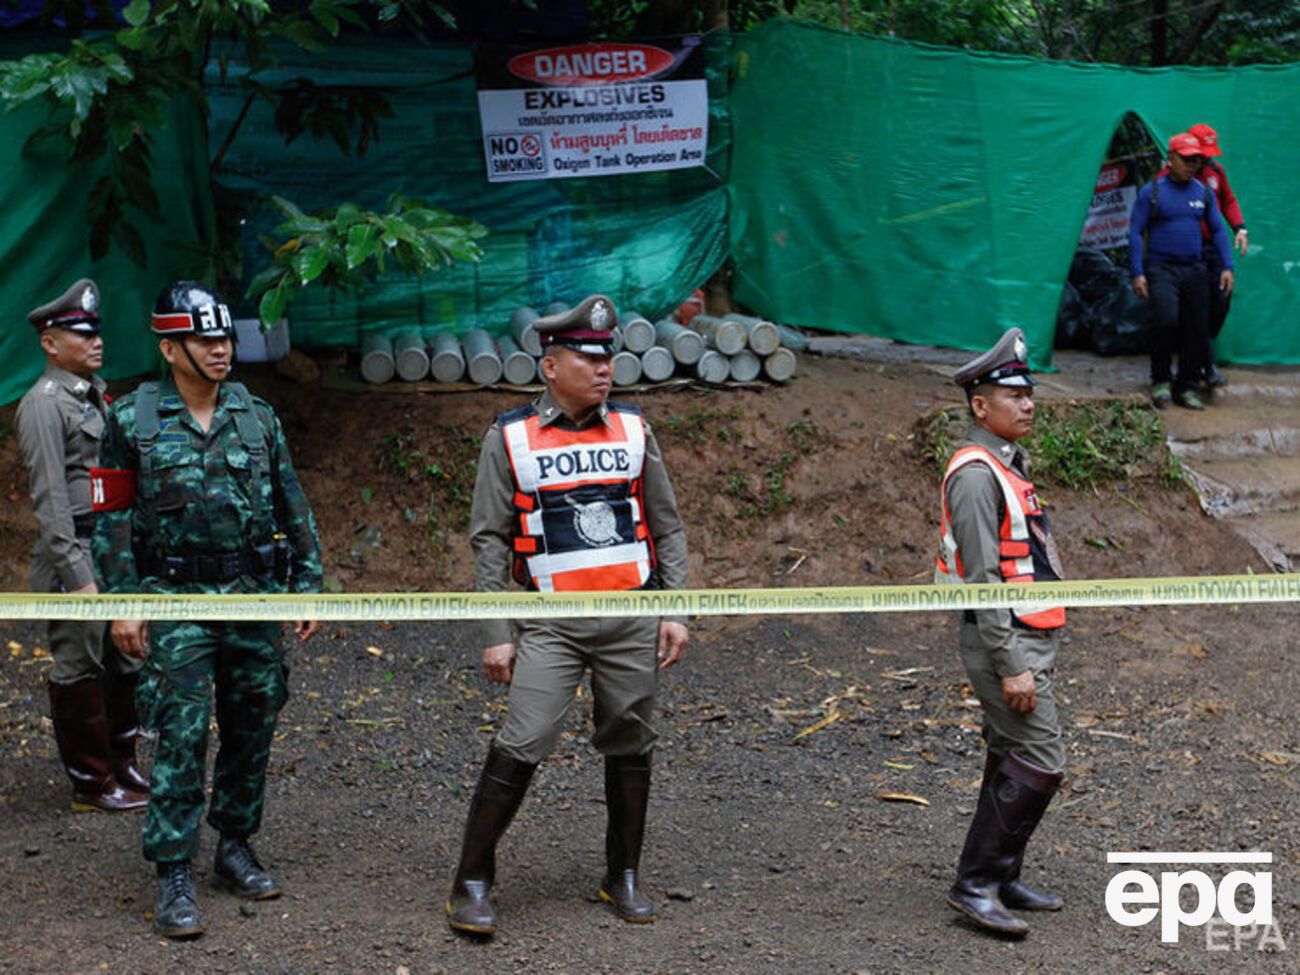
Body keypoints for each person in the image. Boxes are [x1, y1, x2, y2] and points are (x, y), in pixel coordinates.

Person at [446, 294, 689, 937]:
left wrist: (676, 608)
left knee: (631, 740)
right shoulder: (509, 436)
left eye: (608, 357)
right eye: (588, 358)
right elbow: (488, 540)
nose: (604, 368)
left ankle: (623, 875)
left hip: (632, 616)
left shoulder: (634, 429)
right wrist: (496, 633)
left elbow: (666, 524)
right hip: (550, 622)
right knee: (522, 739)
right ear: (550, 366)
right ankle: (472, 880)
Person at [91, 281, 322, 939]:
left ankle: (234, 846)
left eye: (225, 337)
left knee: (254, 720)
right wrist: (124, 603)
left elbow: (292, 502)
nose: (222, 349)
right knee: (182, 729)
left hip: (252, 593)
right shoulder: (130, 421)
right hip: (174, 597)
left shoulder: (257, 417)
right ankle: (173, 869)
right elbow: (109, 521)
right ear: (170, 349)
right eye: (205, 339)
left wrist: (308, 583)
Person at [935, 328, 1068, 938]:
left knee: (1009, 752)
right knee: (1040, 756)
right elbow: (982, 580)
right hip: (1003, 640)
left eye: (1028, 393)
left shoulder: (1006, 463)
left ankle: (1002, 875)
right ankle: (976, 883)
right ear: (979, 406)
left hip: (1026, 633)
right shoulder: (975, 473)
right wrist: (1011, 662)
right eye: (1013, 396)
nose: (1028, 404)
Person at [16, 279, 150, 813]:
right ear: (50, 343)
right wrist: (80, 581)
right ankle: (92, 783)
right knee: (81, 664)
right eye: (82, 333)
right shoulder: (44, 405)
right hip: (74, 554)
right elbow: (51, 505)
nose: (96, 341)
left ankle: (122, 762)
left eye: (97, 331)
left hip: (111, 550)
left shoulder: (96, 397)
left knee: (124, 660)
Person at [1128, 132, 1234, 411]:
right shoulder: (1152, 192)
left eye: (1195, 160)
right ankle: (1161, 380)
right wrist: (1137, 272)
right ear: (1171, 158)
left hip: (1195, 269)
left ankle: (1187, 386)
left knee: (1197, 328)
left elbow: (1218, 230)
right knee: (1166, 321)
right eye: (1186, 159)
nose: (1191, 165)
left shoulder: (1203, 193)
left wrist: (1227, 266)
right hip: (1162, 269)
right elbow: (1136, 232)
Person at [1187, 122, 1248, 388]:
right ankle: (1206, 365)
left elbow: (1228, 201)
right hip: (1186, 252)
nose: (1207, 158)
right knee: (1197, 307)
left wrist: (1239, 227)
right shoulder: (1177, 175)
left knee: (1221, 300)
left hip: (1212, 248)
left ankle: (1196, 345)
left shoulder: (1215, 171)